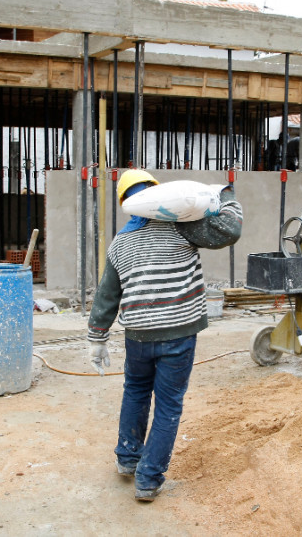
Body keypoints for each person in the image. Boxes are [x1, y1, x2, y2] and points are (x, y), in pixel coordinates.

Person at [86, 170, 243, 502]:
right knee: (168, 405)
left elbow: (107, 295)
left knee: (136, 392)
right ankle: (148, 478)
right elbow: (230, 230)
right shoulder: (183, 225)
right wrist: (225, 194)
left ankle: (128, 459)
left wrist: (96, 338)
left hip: (138, 336)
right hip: (178, 334)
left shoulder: (120, 242)